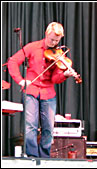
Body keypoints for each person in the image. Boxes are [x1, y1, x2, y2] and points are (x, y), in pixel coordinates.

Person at [7, 22, 78, 158]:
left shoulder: (59, 54)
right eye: (52, 39)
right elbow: (13, 61)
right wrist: (21, 80)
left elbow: (55, 79)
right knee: (30, 127)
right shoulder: (32, 47)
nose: (54, 43)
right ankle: (33, 158)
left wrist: (64, 75)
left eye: (57, 41)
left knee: (48, 129)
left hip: (48, 93)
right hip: (31, 90)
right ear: (46, 34)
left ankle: (45, 158)